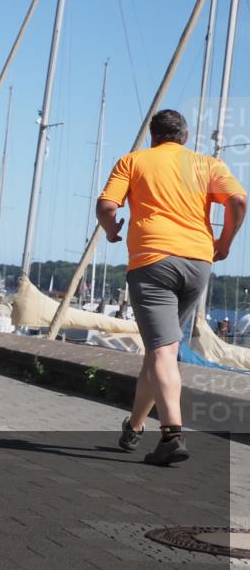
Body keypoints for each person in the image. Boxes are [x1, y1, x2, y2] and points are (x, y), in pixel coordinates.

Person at [97, 109, 246, 466]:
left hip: (153, 262)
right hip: (198, 263)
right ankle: (133, 427)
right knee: (158, 350)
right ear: (185, 135)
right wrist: (224, 242)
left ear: (153, 135)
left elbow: (106, 206)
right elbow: (239, 201)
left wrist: (112, 230)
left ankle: (171, 435)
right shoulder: (207, 165)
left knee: (164, 352)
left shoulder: (133, 161)